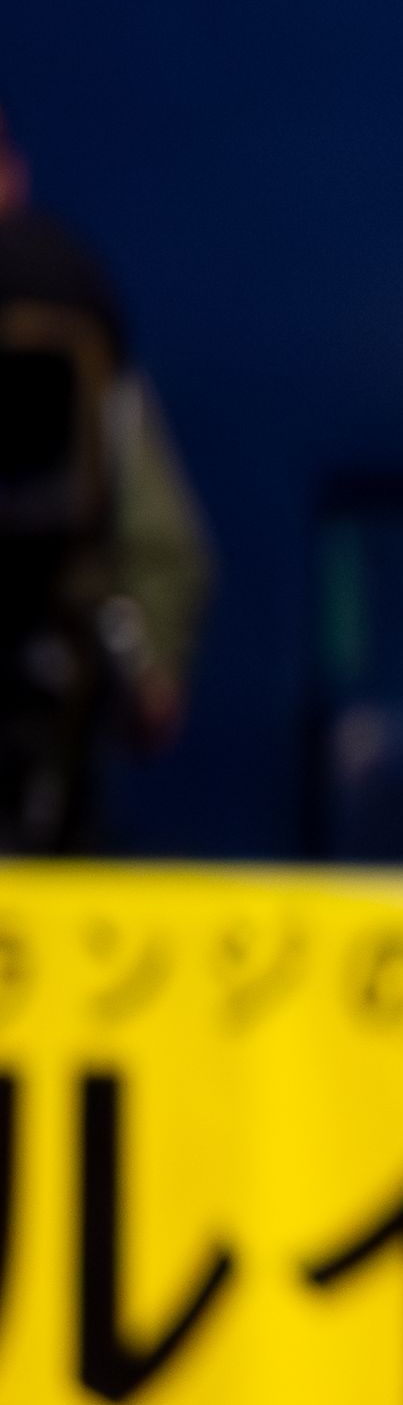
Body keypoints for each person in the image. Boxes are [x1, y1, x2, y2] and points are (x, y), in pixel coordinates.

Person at [0, 99, 213, 852]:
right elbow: (162, 537)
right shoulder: (74, 286)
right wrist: (150, 670)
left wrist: (143, 660)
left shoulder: (73, 307)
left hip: (60, 674)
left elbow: (157, 531)